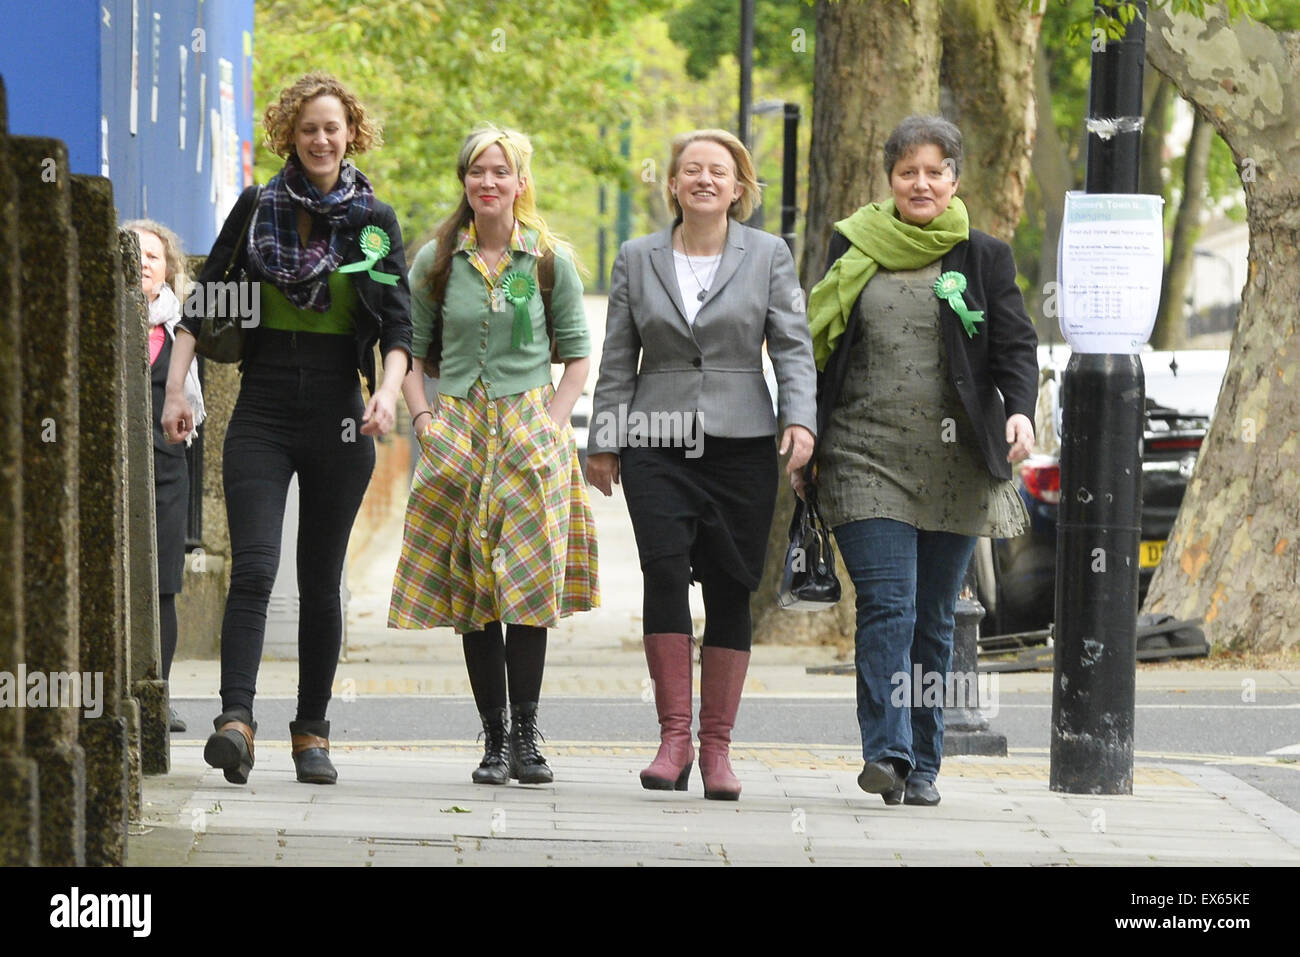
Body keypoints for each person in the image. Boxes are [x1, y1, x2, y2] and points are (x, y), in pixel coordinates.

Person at [161, 72, 412, 786]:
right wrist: (178, 387)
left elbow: (399, 327)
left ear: (351, 134)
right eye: (308, 128)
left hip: (339, 404)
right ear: (289, 136)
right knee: (258, 565)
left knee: (319, 578)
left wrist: (388, 393)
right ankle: (235, 721)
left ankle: (312, 732)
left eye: (333, 128)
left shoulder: (373, 221)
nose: (321, 139)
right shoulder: (257, 206)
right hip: (264, 404)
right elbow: (202, 306)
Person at [800, 115, 1038, 806]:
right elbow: (819, 346)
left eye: (935, 171)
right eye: (909, 172)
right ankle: (887, 751)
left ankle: (926, 761)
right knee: (889, 604)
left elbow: (1014, 347)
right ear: (891, 179)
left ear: (956, 179)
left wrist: (1019, 408)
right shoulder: (854, 245)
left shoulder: (983, 255)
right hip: (863, 454)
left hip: (956, 463)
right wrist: (805, 434)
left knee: (934, 616)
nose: (922, 183)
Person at [586, 129, 816, 801]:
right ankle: (673, 738)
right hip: (655, 438)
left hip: (742, 441)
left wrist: (799, 419)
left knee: (729, 583)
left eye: (719, 171)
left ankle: (717, 749)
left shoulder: (769, 254)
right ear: (675, 184)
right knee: (662, 570)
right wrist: (604, 437)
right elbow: (617, 355)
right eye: (692, 170)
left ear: (739, 187)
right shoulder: (636, 256)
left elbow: (793, 347)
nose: (705, 180)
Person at [388, 125, 598, 787]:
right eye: (477, 171)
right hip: (457, 428)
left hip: (529, 430)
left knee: (528, 588)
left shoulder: (547, 261)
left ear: (519, 182)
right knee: (473, 585)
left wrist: (551, 424)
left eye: (500, 172)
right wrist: (425, 419)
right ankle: (493, 735)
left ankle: (528, 738)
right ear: (465, 182)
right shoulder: (437, 261)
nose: (488, 183)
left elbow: (576, 355)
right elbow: (413, 353)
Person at [126, 218, 205, 735]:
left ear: (168, 269)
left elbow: (195, 422)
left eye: (153, 255)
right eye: (133, 253)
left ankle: (160, 696)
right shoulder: (95, 321)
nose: (143, 262)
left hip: (167, 475)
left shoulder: (182, 333)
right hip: (117, 473)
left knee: (163, 588)